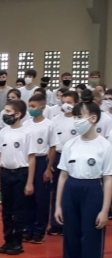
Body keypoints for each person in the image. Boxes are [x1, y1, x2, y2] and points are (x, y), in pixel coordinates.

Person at [54, 90, 112, 258]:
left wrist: (104, 210)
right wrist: (58, 204)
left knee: (90, 242)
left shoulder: (105, 147)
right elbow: (63, 175)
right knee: (71, 241)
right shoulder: (70, 145)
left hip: (93, 190)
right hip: (72, 190)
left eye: (80, 116)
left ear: (93, 119)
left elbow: (108, 179)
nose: (77, 120)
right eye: (75, 117)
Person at [0, 99, 36, 255]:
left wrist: (30, 182)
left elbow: (31, 158)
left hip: (21, 174)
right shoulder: (3, 132)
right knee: (6, 210)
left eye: (8, 111)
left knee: (19, 210)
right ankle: (8, 240)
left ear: (18, 114)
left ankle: (17, 242)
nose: (5, 114)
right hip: (5, 173)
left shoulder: (26, 133)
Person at [23, 93, 58, 244]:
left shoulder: (49, 125)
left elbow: (52, 147)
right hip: (27, 161)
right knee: (28, 197)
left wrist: (48, 168)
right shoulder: (26, 124)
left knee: (41, 199)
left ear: (42, 108)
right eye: (29, 106)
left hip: (41, 160)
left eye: (33, 107)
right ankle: (28, 228)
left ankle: (39, 231)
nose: (31, 109)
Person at [47, 90, 80, 236]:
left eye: (70, 103)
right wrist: (50, 163)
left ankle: (73, 223)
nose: (66, 105)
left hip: (75, 159)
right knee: (56, 190)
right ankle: (56, 223)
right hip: (59, 157)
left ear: (76, 104)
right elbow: (52, 144)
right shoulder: (55, 120)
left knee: (73, 191)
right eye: (64, 102)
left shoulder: (79, 121)